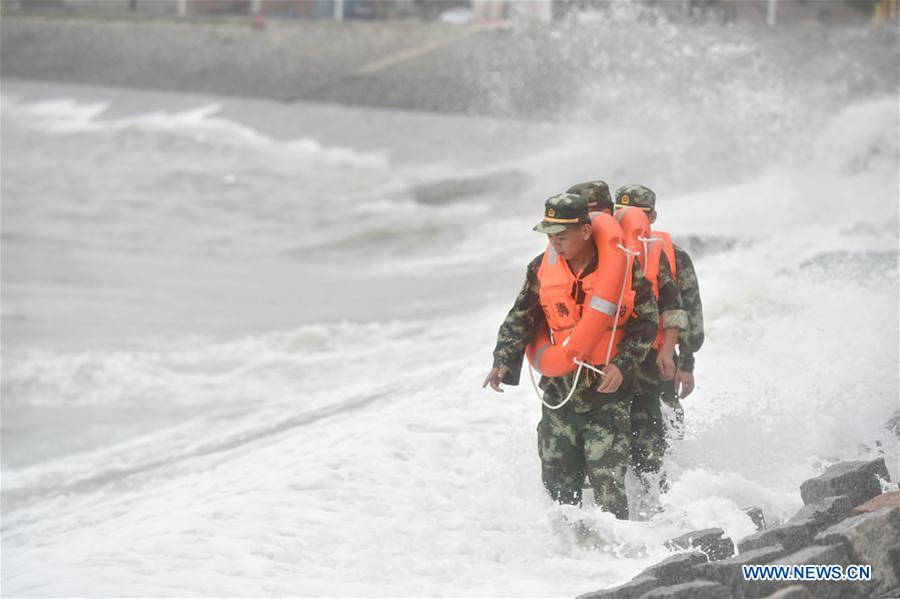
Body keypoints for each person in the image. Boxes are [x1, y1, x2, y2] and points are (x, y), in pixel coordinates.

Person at [483, 193, 659, 520]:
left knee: (608, 481)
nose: (554, 243)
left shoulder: (622, 268)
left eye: (561, 236)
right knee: (557, 481)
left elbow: (648, 323)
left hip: (607, 395)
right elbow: (521, 317)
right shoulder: (541, 268)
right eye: (549, 236)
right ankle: (567, 557)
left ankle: (617, 556)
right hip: (560, 394)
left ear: (586, 232)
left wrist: (622, 365)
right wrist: (502, 360)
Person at [614, 185, 693, 503]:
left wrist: (686, 364)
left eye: (640, 215)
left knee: (666, 432)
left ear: (653, 216)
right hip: (622, 363)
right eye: (622, 214)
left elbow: (689, 311)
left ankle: (675, 496)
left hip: (661, 361)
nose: (632, 222)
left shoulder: (673, 255)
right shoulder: (610, 256)